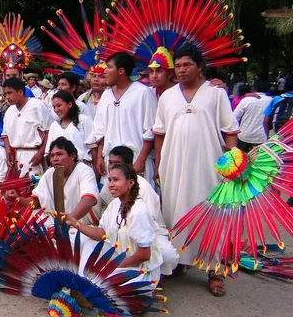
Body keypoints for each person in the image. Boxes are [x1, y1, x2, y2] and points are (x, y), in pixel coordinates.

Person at [153, 46, 239, 296]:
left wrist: (233, 162)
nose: (181, 70)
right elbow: (160, 133)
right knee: (174, 212)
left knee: (211, 214)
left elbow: (230, 130)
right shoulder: (167, 96)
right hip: (173, 165)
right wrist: (159, 164)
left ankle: (214, 270)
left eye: (186, 65)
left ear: (200, 66)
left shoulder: (216, 93)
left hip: (208, 166)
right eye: (178, 66)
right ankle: (177, 260)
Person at [66, 163, 162, 287]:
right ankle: (83, 282)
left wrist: (113, 267)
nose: (111, 184)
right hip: (119, 258)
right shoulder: (115, 204)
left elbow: (144, 255)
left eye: (116, 180)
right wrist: (75, 222)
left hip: (139, 271)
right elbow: (101, 234)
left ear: (131, 183)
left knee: (101, 283)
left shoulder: (139, 211)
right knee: (89, 244)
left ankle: (86, 285)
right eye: (110, 180)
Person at [97, 145, 179, 276]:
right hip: (120, 232)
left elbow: (146, 228)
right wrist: (75, 223)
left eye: (116, 163)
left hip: (148, 234)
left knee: (166, 254)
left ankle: (153, 274)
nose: (111, 167)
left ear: (129, 166)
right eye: (110, 162)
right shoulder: (111, 184)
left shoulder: (143, 191)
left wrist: (116, 267)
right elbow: (104, 218)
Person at [92, 52, 157, 185]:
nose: (105, 71)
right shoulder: (106, 95)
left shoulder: (143, 92)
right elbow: (100, 130)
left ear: (121, 71)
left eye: (109, 67)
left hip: (136, 161)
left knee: (139, 201)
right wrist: (100, 157)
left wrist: (141, 159)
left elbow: (151, 130)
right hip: (110, 162)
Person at [8, 137, 98, 222]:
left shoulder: (84, 170)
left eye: (59, 154)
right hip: (57, 223)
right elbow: (36, 201)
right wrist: (17, 198)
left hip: (82, 225)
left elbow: (89, 199)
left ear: (72, 156)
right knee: (29, 218)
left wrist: (70, 221)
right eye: (52, 156)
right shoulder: (49, 173)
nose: (55, 159)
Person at [1, 77, 52, 176]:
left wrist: (41, 153)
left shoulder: (37, 106)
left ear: (20, 92)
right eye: (5, 93)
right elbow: (5, 135)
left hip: (33, 154)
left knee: (34, 187)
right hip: (15, 156)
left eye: (10, 93)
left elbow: (49, 131)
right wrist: (8, 154)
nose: (7, 97)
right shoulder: (9, 111)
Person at [45, 90, 95, 166]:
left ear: (70, 104)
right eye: (54, 107)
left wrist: (96, 166)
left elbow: (93, 146)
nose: (56, 110)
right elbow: (49, 152)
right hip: (60, 169)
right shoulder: (54, 126)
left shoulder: (83, 120)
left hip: (81, 165)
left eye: (59, 105)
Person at [233, 84, 272, 152]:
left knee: (240, 158)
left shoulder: (246, 100)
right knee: (257, 160)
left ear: (254, 89)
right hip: (261, 137)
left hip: (244, 135)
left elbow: (235, 117)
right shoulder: (271, 100)